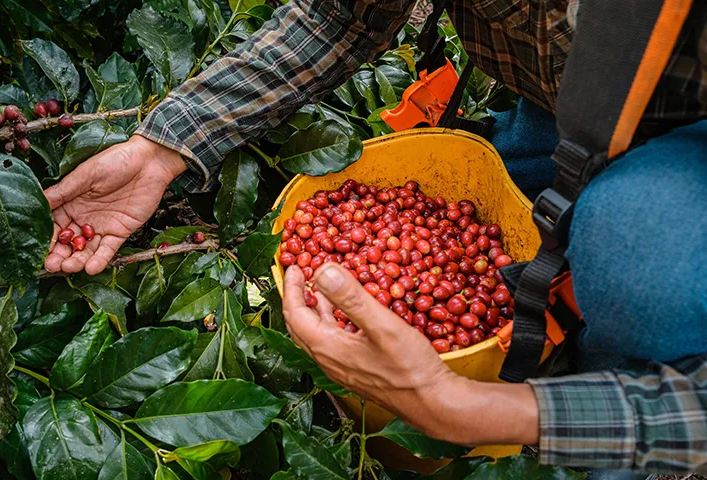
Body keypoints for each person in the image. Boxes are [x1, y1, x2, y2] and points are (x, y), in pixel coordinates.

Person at [43, 0, 707, 475]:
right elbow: (341, 16)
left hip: (683, 148)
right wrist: (167, 146)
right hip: (572, 100)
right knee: (506, 179)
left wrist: (475, 410)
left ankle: (617, 374)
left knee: (637, 252)